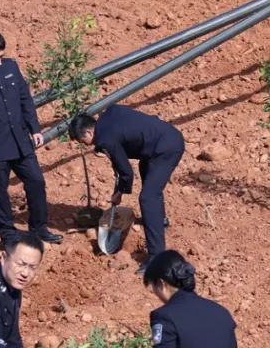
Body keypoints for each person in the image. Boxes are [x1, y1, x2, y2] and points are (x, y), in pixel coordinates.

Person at [0, 31, 62, 248]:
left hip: (20, 140)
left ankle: (39, 227)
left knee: (36, 180)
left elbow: (25, 99)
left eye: (1, 57)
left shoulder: (11, 67)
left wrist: (35, 129)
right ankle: (8, 234)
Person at [70, 105, 185, 260]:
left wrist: (119, 192)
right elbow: (120, 164)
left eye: (83, 140)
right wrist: (119, 188)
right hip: (161, 139)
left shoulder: (105, 139)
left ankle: (156, 258)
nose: (86, 145)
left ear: (89, 132)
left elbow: (126, 172)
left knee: (148, 197)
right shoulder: (109, 113)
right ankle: (159, 219)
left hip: (166, 148)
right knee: (145, 168)